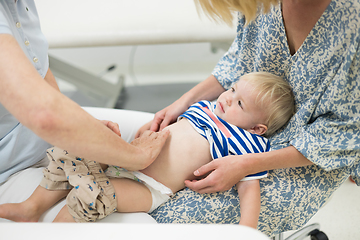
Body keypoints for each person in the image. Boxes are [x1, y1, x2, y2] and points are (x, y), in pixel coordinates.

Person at [141, 0, 359, 237]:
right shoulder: (260, 5)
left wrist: (247, 164)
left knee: (167, 221)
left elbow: (343, 134)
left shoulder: (351, 21)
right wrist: (183, 102)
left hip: (312, 158)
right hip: (242, 125)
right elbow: (238, 64)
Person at [0, 72, 295, 228]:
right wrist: (147, 130)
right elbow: (166, 128)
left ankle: (51, 234)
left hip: (148, 186)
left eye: (240, 104)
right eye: (232, 90)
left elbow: (249, 188)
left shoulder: (247, 142)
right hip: (127, 157)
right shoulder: (205, 107)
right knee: (72, 152)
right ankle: (31, 207)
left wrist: (247, 229)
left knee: (89, 194)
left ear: (258, 128)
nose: (228, 99)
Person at [0, 0, 169, 216]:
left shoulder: (21, 4)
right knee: (122, 219)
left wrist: (78, 128)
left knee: (148, 128)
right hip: (10, 169)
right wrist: (138, 157)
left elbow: (39, 69)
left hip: (43, 139)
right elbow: (44, 115)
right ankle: (31, 208)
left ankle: (34, 206)